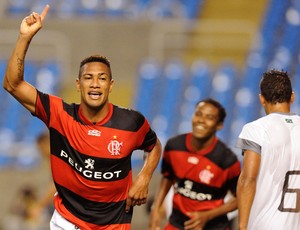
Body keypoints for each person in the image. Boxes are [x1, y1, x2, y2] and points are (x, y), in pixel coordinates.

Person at [2, 5, 162, 230]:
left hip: (114, 225)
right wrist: (24, 38)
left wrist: (144, 177)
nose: (95, 84)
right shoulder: (59, 114)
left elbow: (154, 146)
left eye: (102, 78)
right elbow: (12, 84)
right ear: (78, 84)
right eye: (88, 77)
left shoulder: (131, 122)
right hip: (67, 222)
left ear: (111, 85)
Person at [149, 98, 241, 230]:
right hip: (177, 223)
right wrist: (156, 209)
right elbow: (167, 177)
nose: (201, 120)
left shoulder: (227, 160)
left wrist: (207, 216)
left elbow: (240, 199)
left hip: (214, 226)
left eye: (209, 117)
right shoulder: (174, 146)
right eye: (198, 114)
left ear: (219, 125)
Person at [236, 70, 300, 229]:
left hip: (263, 224)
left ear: (262, 99)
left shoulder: (255, 129)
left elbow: (247, 179)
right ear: (292, 97)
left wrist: (242, 226)